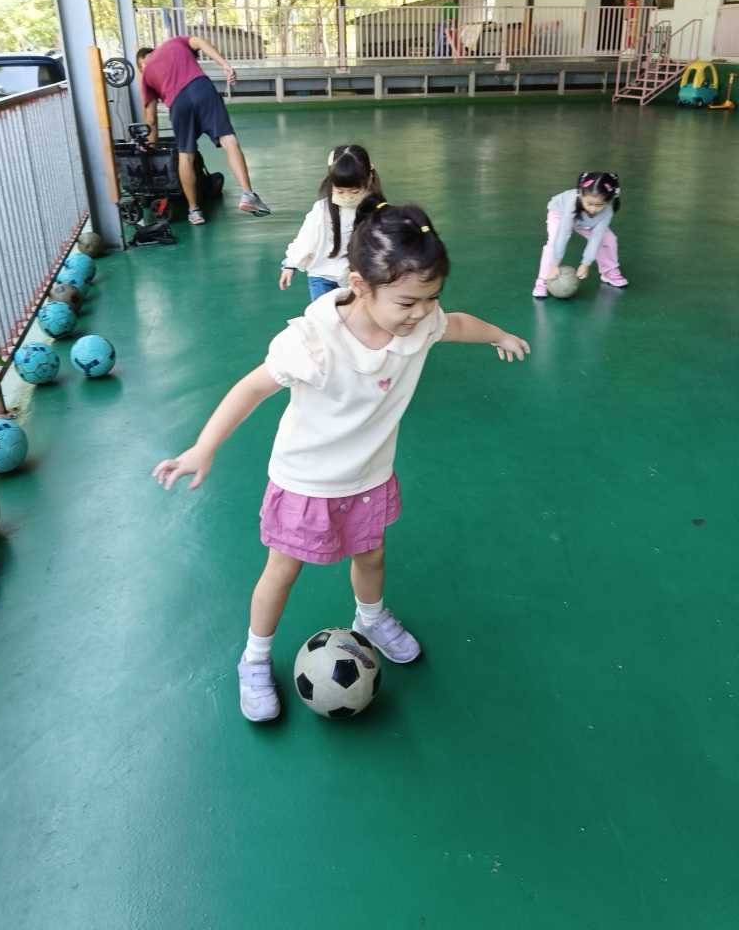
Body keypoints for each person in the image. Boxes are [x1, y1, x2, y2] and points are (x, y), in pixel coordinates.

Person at [153, 198, 531, 722]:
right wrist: (204, 447)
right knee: (282, 572)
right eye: (408, 301)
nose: (422, 312)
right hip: (305, 481)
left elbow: (459, 324)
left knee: (371, 556)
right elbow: (252, 387)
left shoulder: (420, 323)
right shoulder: (312, 341)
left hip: (368, 477)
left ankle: (369, 619)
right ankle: (255, 658)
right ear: (359, 284)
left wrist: (499, 335)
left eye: (431, 298)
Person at [137, 36, 270, 224]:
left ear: (141, 63)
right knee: (229, 140)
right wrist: (224, 64)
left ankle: (194, 211)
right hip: (202, 88)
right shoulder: (174, 42)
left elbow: (151, 120)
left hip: (178, 103)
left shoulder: (146, 75)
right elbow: (200, 42)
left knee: (186, 156)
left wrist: (151, 149)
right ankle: (248, 194)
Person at [280, 144, 382, 301]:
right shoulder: (322, 210)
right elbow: (306, 238)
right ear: (331, 182)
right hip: (322, 276)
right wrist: (290, 264)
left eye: (355, 191)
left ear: (369, 180)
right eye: (340, 191)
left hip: (357, 279)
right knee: (323, 314)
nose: (347, 197)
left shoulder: (376, 210)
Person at [532, 171, 627, 297]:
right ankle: (543, 279)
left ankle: (609, 271)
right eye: (589, 204)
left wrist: (586, 262)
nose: (593, 209)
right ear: (581, 195)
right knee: (554, 240)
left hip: (584, 221)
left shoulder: (607, 211)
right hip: (560, 213)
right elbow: (563, 234)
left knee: (608, 239)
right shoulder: (571, 203)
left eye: (599, 205)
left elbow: (597, 236)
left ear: (608, 201)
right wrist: (554, 263)